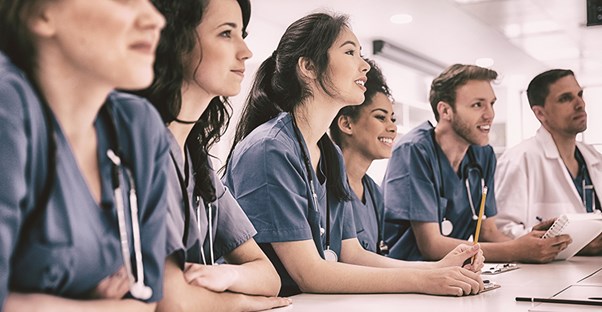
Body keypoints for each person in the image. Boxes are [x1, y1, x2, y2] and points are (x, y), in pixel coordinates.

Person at [224, 12, 485, 298]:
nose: (364, 66)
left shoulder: (329, 153)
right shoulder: (269, 148)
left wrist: (436, 269)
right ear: (308, 67)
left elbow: (352, 254)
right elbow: (310, 274)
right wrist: (424, 281)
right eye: (350, 52)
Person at [0, 0, 170, 311]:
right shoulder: (7, 105)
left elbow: (144, 301)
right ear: (41, 13)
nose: (155, 19)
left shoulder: (139, 128)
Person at [136, 0, 290, 310]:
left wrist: (224, 276)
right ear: (176, 41)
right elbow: (172, 300)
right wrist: (241, 303)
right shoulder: (142, 147)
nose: (245, 51)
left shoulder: (197, 162)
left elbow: (269, 276)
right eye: (225, 33)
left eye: (241, 34)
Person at [382, 64, 572, 263]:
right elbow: (431, 246)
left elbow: (488, 231)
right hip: (408, 278)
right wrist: (516, 250)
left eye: (492, 103)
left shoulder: (482, 154)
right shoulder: (414, 150)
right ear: (445, 110)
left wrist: (532, 244)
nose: (490, 114)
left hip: (454, 273)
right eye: (478, 105)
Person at [495, 69, 602, 255]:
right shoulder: (520, 159)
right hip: (552, 277)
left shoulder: (593, 157)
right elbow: (501, 231)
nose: (580, 104)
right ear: (540, 113)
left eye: (580, 94)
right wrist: (575, 242)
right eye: (565, 98)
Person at [329, 58, 397, 254]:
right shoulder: (327, 187)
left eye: (392, 119)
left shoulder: (374, 193)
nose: (392, 127)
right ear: (347, 124)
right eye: (380, 117)